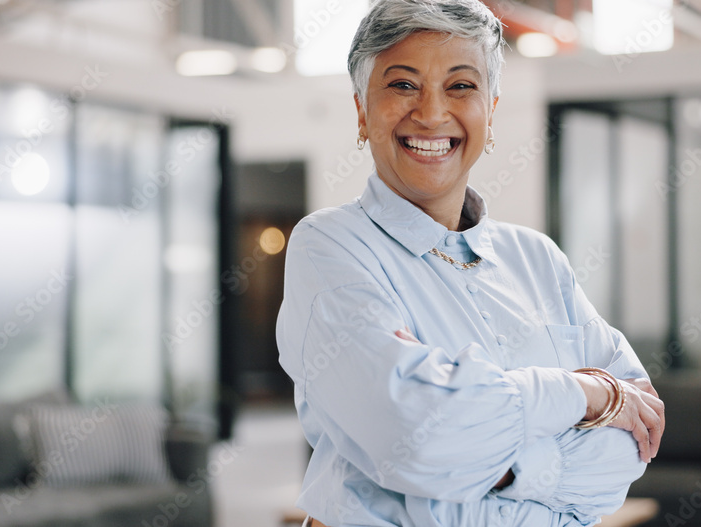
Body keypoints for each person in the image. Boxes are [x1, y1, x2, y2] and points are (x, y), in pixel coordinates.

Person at [276, 1, 665, 525]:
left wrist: (481, 454)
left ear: (491, 109)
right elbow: (415, 438)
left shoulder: (539, 260)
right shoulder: (329, 247)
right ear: (362, 112)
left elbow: (630, 448)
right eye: (402, 85)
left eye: (461, 86)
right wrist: (584, 392)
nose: (433, 113)